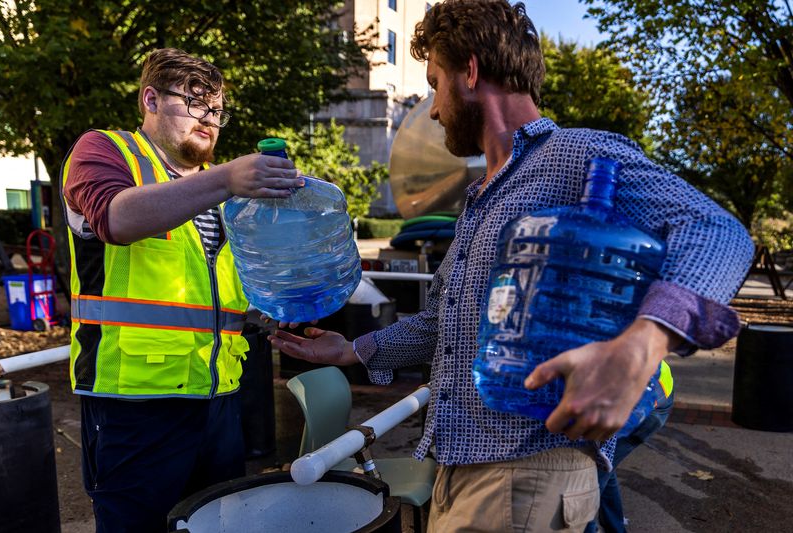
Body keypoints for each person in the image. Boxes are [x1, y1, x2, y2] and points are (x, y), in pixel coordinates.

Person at [269, 1, 755, 531]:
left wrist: (644, 343)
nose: (432, 109)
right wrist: (352, 349)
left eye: (435, 83)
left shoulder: (576, 156)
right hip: (460, 470)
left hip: (528, 473)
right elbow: (444, 327)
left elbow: (717, 232)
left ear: (471, 72)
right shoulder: (481, 199)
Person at [60, 48, 302, 532]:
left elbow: (211, 290)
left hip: (219, 397)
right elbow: (116, 218)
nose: (209, 120)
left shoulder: (220, 191)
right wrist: (228, 178)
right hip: (134, 404)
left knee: (214, 525)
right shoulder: (105, 151)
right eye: (194, 104)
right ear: (150, 99)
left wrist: (268, 314)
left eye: (216, 110)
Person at [585, 361, 674, 533]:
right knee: (605, 465)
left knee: (592, 480)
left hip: (649, 408)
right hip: (644, 395)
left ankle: (586, 528)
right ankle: (615, 528)